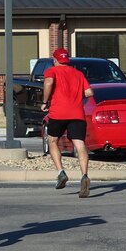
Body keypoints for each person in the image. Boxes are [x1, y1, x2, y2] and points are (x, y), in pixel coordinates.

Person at [41, 48, 94, 198]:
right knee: (80, 144)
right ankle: (84, 175)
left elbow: (49, 82)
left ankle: (61, 172)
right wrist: (76, 96)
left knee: (52, 141)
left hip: (58, 113)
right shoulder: (78, 73)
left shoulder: (52, 71)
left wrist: (45, 101)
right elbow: (90, 92)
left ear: (55, 60)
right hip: (77, 114)